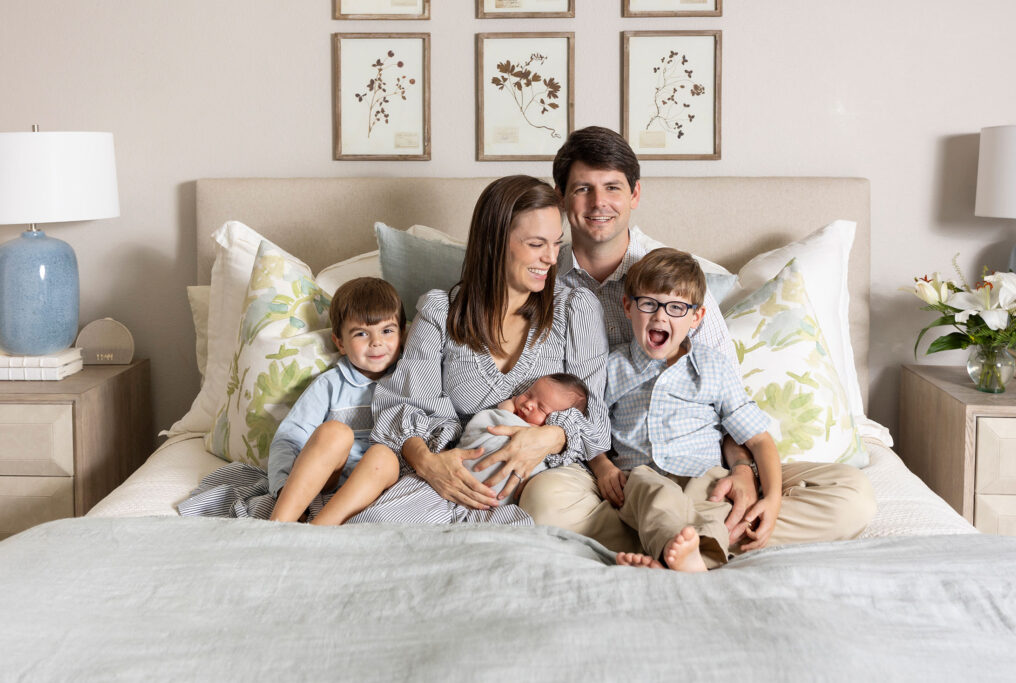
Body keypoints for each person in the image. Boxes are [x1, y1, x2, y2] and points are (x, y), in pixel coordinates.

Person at [519, 126, 875, 553]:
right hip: (613, 472)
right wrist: (598, 463)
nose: (599, 204)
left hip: (703, 468)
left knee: (854, 497)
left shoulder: (677, 282)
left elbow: (727, 404)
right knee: (541, 504)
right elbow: (555, 399)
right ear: (561, 196)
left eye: (612, 187)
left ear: (634, 195)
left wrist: (743, 471)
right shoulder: (537, 276)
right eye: (583, 189)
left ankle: (674, 538)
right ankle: (701, 540)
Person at [353, 175, 610, 525]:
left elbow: (596, 419)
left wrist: (548, 436)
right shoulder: (439, 311)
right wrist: (430, 466)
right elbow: (404, 408)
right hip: (454, 475)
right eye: (537, 244)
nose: (551, 258)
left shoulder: (575, 309)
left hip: (545, 478)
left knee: (542, 519)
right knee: (377, 525)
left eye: (556, 243)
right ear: (494, 243)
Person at [591, 248, 783, 572]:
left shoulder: (713, 367)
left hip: (704, 478)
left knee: (718, 513)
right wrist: (601, 467)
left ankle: (679, 560)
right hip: (643, 477)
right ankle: (678, 555)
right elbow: (589, 430)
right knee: (652, 493)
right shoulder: (611, 368)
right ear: (627, 307)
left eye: (676, 307)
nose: (660, 317)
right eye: (649, 304)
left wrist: (773, 498)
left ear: (696, 318)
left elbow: (759, 440)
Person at [348, 373, 590, 526]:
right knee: (387, 518)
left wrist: (552, 436)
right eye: (528, 394)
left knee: (520, 531)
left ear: (557, 420)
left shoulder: (555, 443)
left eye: (542, 408)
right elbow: (481, 430)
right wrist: (504, 413)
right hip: (444, 484)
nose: (527, 405)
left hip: (494, 508)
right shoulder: (503, 415)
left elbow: (579, 444)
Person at [266, 276, 405, 526]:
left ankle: (319, 530)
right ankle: (279, 524)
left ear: (402, 335)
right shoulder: (330, 384)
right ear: (340, 342)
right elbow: (289, 437)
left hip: (373, 486)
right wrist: (282, 485)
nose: (376, 342)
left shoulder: (411, 380)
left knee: (383, 456)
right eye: (362, 333)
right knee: (335, 433)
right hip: (326, 480)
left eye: (387, 331)